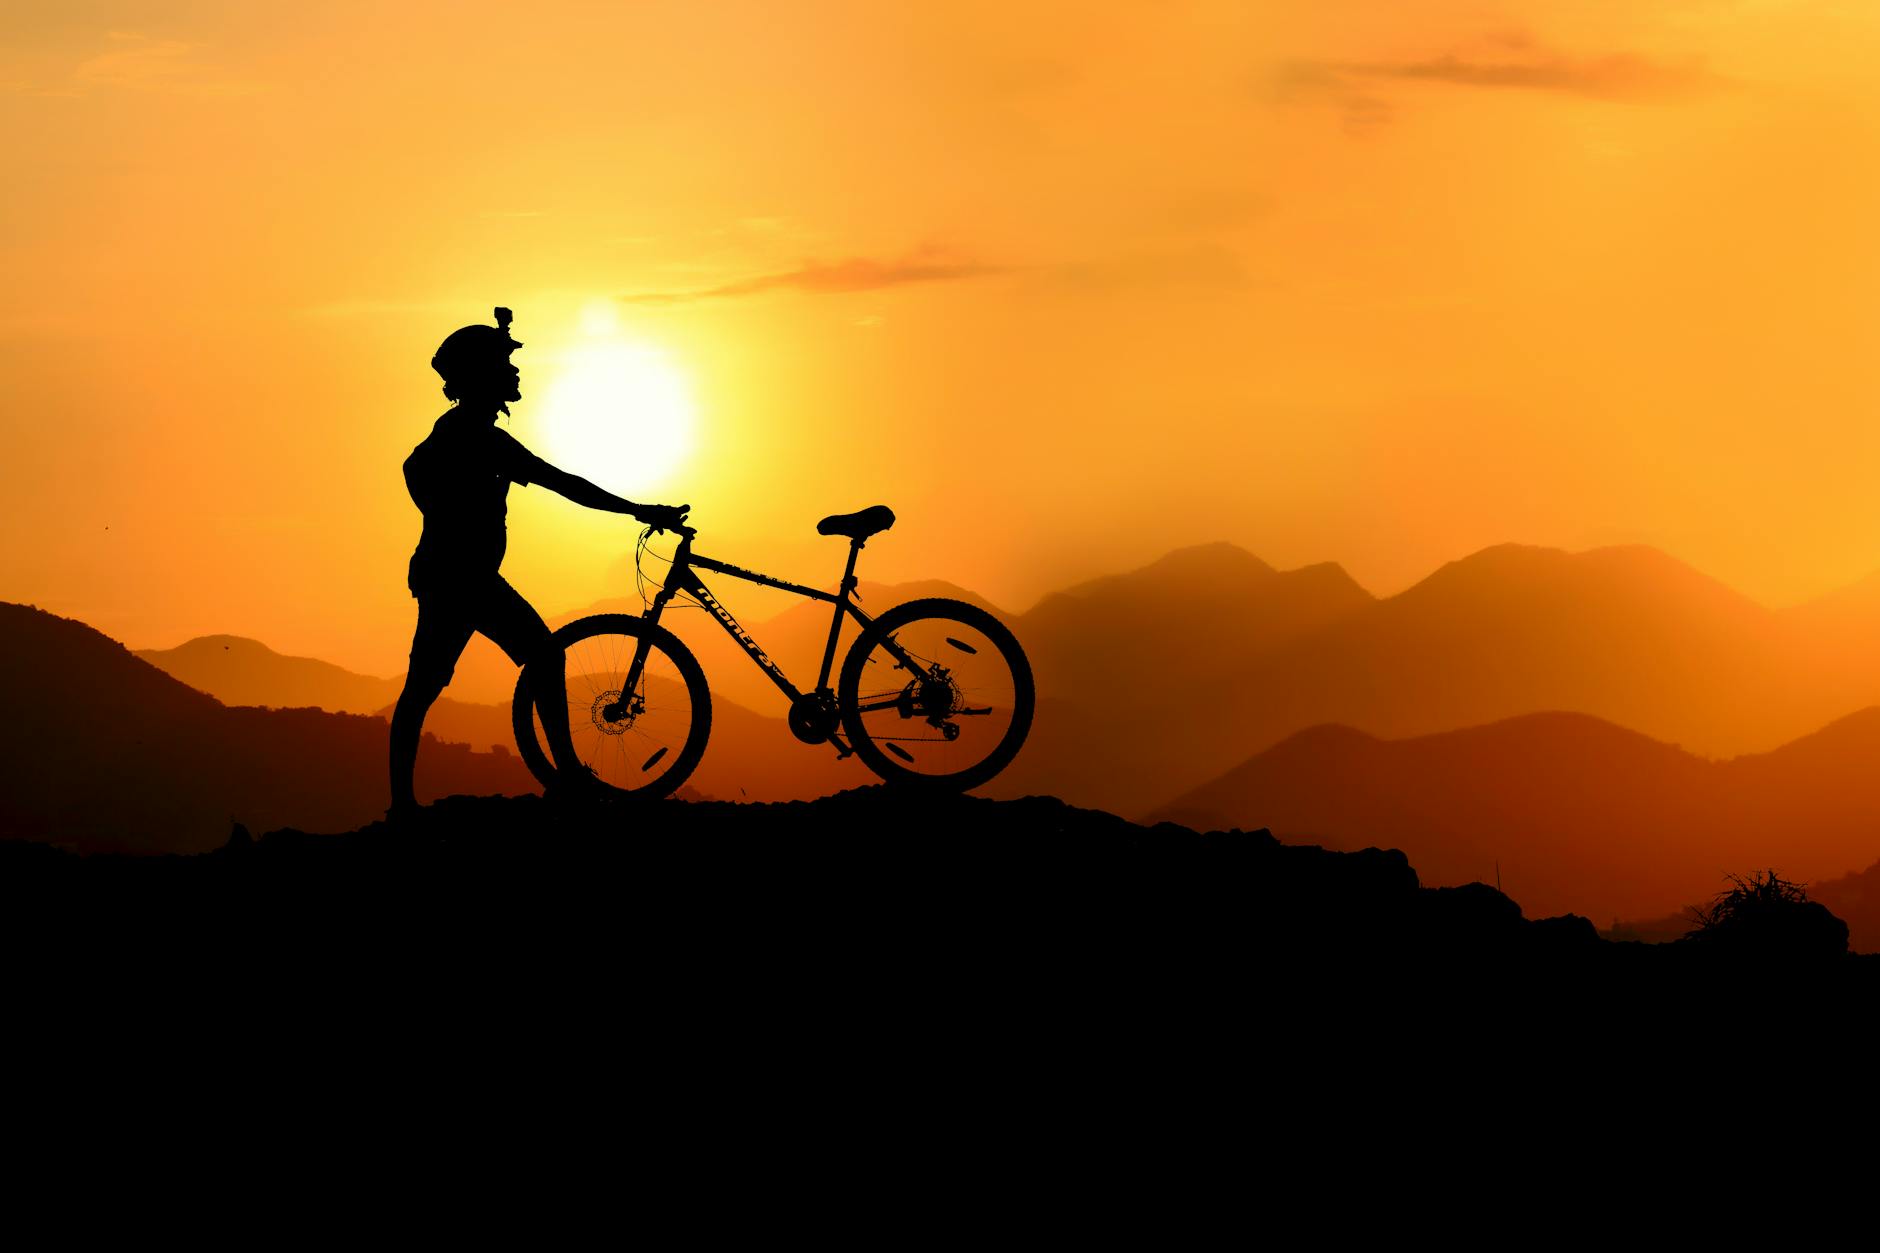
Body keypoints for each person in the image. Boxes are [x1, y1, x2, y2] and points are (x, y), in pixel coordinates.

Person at [388, 307, 687, 819]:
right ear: (482, 375)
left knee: (431, 684)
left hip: (455, 576)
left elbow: (416, 470)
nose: (516, 371)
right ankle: (563, 777)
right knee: (518, 663)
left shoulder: (469, 432)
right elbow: (563, 483)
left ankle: (409, 804)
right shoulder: (474, 436)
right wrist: (640, 509)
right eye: (506, 362)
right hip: (461, 579)